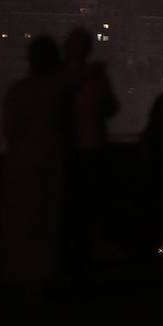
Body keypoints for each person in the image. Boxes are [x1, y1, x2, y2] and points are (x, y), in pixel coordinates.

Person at [0, 36, 68, 286]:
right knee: (47, 225)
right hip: (50, 165)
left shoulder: (17, 91)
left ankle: (20, 279)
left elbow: (8, 130)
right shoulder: (60, 91)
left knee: (21, 225)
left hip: (20, 166)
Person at [61, 27, 119, 272]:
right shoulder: (96, 78)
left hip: (66, 152)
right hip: (92, 149)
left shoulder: (58, 77)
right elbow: (111, 108)